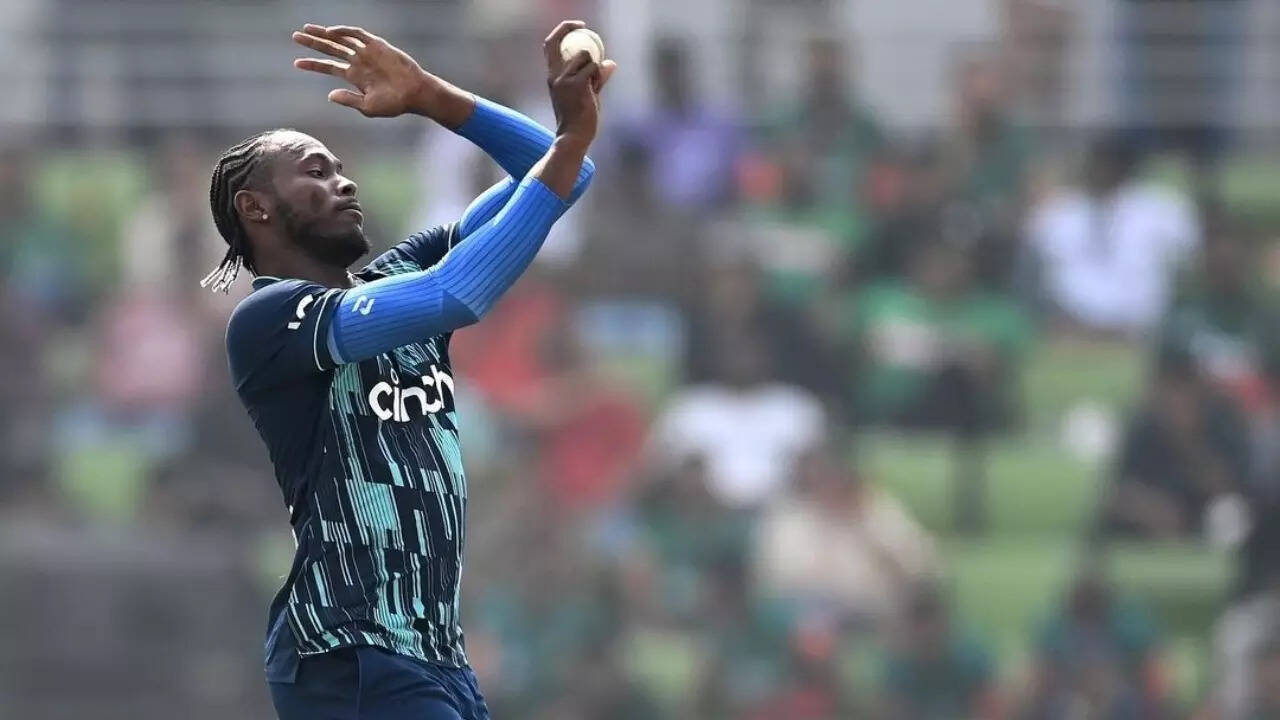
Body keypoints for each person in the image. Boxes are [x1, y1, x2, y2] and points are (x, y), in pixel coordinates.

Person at [205, 21, 615, 720]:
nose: (343, 181)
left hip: (434, 655)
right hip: (345, 647)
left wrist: (432, 97)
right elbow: (457, 293)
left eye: (340, 168)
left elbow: (564, 176)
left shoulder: (397, 274)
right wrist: (573, 137)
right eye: (314, 172)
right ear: (256, 207)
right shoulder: (270, 320)